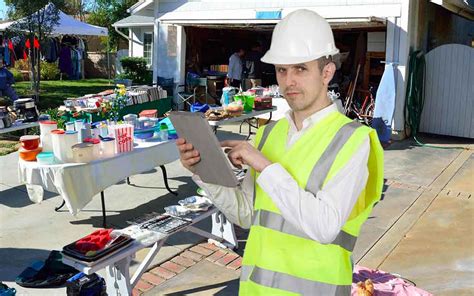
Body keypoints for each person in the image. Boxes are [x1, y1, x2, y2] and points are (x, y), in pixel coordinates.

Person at [177, 9, 383, 295]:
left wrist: (265, 166)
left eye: (300, 68)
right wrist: (203, 170)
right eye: (282, 70)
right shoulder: (267, 134)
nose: (289, 81)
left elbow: (325, 227)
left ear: (327, 72)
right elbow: (247, 215)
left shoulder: (353, 140)